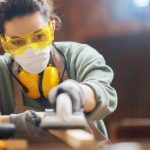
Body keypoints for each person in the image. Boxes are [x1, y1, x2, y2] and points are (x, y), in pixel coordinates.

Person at [0, 0, 117, 140]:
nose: (32, 49)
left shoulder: (79, 55)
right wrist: (31, 120)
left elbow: (102, 91)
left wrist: (75, 94)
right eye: (18, 42)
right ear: (5, 43)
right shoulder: (2, 72)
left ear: (52, 27)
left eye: (39, 36)